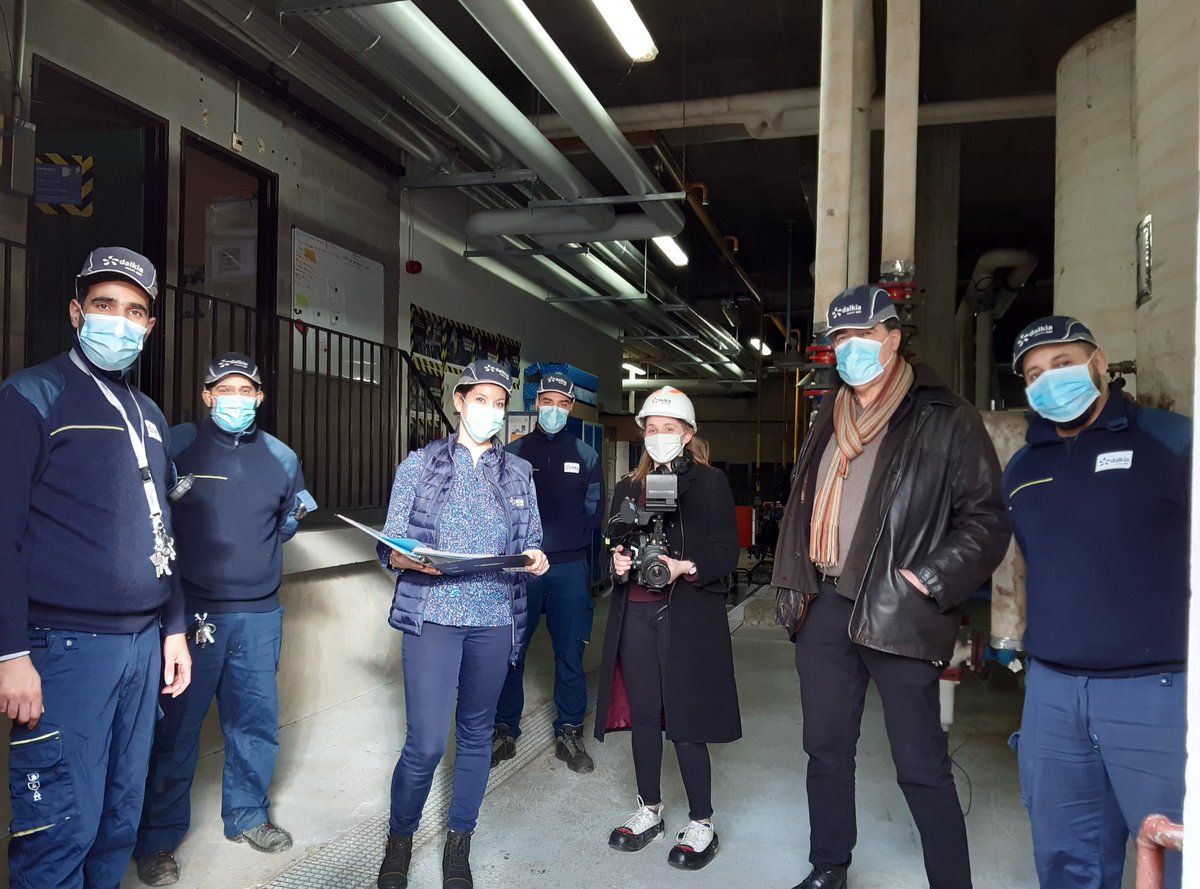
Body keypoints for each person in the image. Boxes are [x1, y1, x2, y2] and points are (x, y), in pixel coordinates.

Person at [772, 284, 1011, 889]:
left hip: (900, 607)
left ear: (894, 338)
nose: (851, 349)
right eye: (841, 339)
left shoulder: (946, 418)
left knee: (920, 764)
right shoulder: (828, 414)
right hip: (824, 604)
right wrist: (793, 581)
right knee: (825, 751)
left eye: (865, 336)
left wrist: (928, 579)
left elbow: (988, 520)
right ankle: (829, 867)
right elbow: (803, 502)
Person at [0, 247, 192, 888]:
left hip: (142, 645)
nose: (121, 321)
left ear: (150, 327)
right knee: (62, 829)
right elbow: (4, 534)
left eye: (136, 311)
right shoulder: (33, 396)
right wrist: (8, 653)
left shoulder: (151, 416)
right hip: (65, 648)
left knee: (117, 820)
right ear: (76, 313)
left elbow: (162, 528)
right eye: (105, 306)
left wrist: (173, 628)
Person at [1004, 316, 1189, 889]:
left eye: (1062, 364)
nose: (1049, 381)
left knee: (1178, 853)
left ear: (1099, 363)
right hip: (1053, 694)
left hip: (1157, 691)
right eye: (1035, 374)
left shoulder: (1172, 441)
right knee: (1066, 857)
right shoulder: (1023, 466)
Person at [134, 353, 317, 885]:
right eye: (225, 389)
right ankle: (158, 839)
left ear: (259, 398)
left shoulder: (282, 457)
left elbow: (288, 522)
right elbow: (151, 516)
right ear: (207, 394)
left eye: (246, 390)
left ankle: (247, 816)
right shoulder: (177, 444)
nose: (236, 399)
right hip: (189, 616)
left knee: (254, 723)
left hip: (259, 616)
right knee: (175, 729)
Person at [375, 359, 549, 889]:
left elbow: (531, 540)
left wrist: (536, 558)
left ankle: (459, 842)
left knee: (476, 734)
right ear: (458, 402)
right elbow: (388, 546)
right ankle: (399, 840)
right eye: (481, 401)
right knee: (426, 742)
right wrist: (408, 559)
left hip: (494, 618)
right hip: (434, 615)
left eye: (499, 405)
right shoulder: (419, 467)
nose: (491, 413)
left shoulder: (518, 473)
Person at [593, 386, 740, 872]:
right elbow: (612, 547)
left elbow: (726, 553)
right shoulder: (626, 488)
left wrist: (685, 567)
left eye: (668, 430)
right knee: (644, 714)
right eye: (651, 430)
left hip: (686, 615)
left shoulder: (710, 483)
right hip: (635, 613)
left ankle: (702, 820)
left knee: (685, 719)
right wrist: (616, 562)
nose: (658, 437)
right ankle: (649, 809)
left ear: (688, 435)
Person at [493, 372, 605, 773]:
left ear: (570, 408)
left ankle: (569, 730)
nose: (554, 409)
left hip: (570, 568)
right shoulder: (513, 454)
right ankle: (504, 730)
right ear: (536, 403)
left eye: (562, 403)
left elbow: (595, 513)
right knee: (510, 651)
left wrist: (564, 541)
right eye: (547, 401)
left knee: (570, 650)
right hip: (522, 568)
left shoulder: (587, 456)